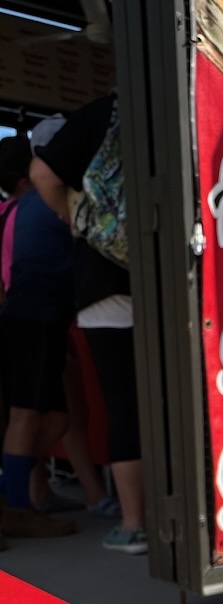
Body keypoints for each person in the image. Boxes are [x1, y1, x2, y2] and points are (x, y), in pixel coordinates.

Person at [31, 93, 147, 554]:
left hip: (103, 279)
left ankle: (134, 522)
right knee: (172, 397)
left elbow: (43, 173)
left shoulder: (98, 115)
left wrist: (69, 214)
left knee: (123, 402)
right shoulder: (178, 101)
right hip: (166, 274)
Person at [0, 132, 78, 542]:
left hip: (29, 314)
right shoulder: (53, 198)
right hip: (38, 315)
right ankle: (14, 507)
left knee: (55, 417)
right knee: (26, 415)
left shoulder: (26, 204)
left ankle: (12, 493)